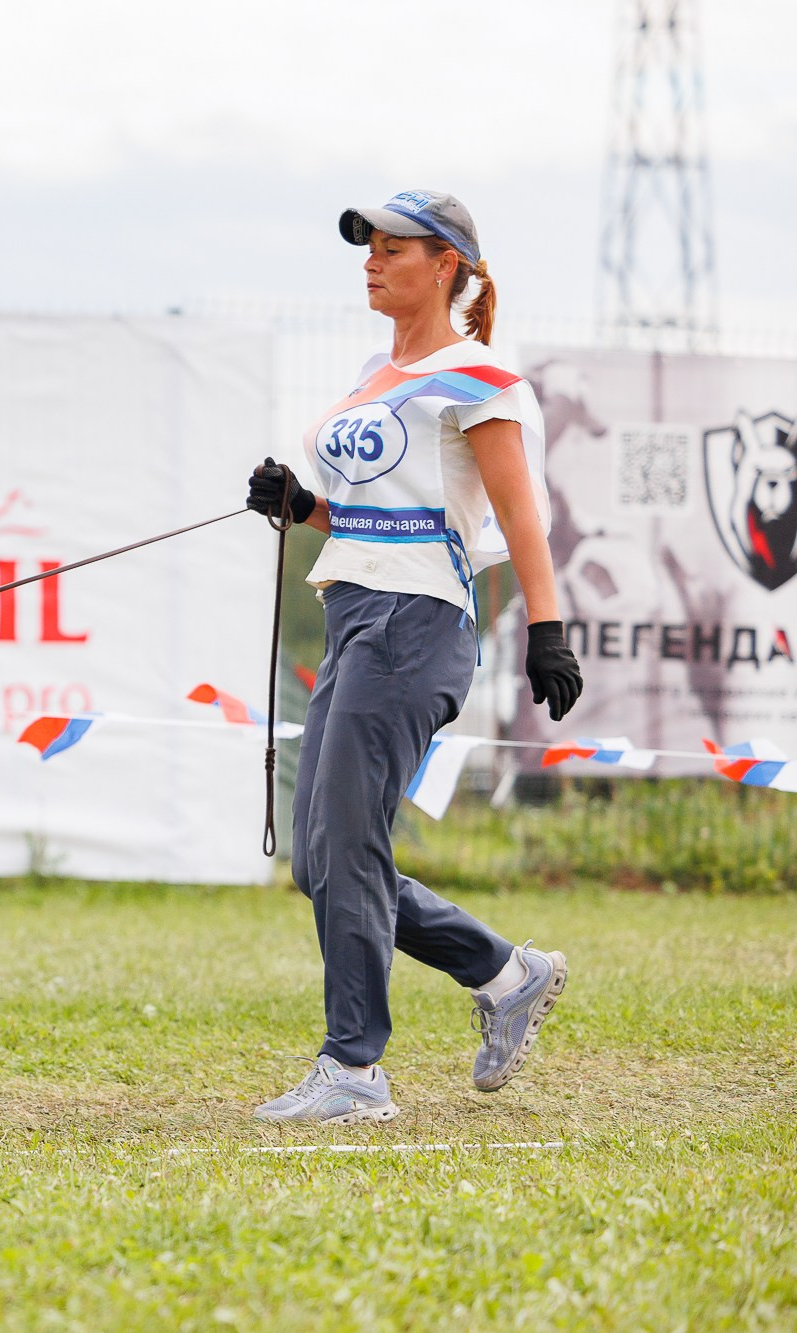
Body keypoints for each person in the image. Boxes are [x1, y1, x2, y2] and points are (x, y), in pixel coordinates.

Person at [245, 190, 584, 1125]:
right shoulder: (372, 371)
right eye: (368, 247)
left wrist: (547, 631)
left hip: (415, 622)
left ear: (447, 266)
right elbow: (361, 515)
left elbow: (521, 518)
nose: (371, 260)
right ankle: (506, 974)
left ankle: (354, 1070)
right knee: (323, 858)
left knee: (346, 846)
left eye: (393, 248)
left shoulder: (477, 379)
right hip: (357, 612)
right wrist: (299, 504)